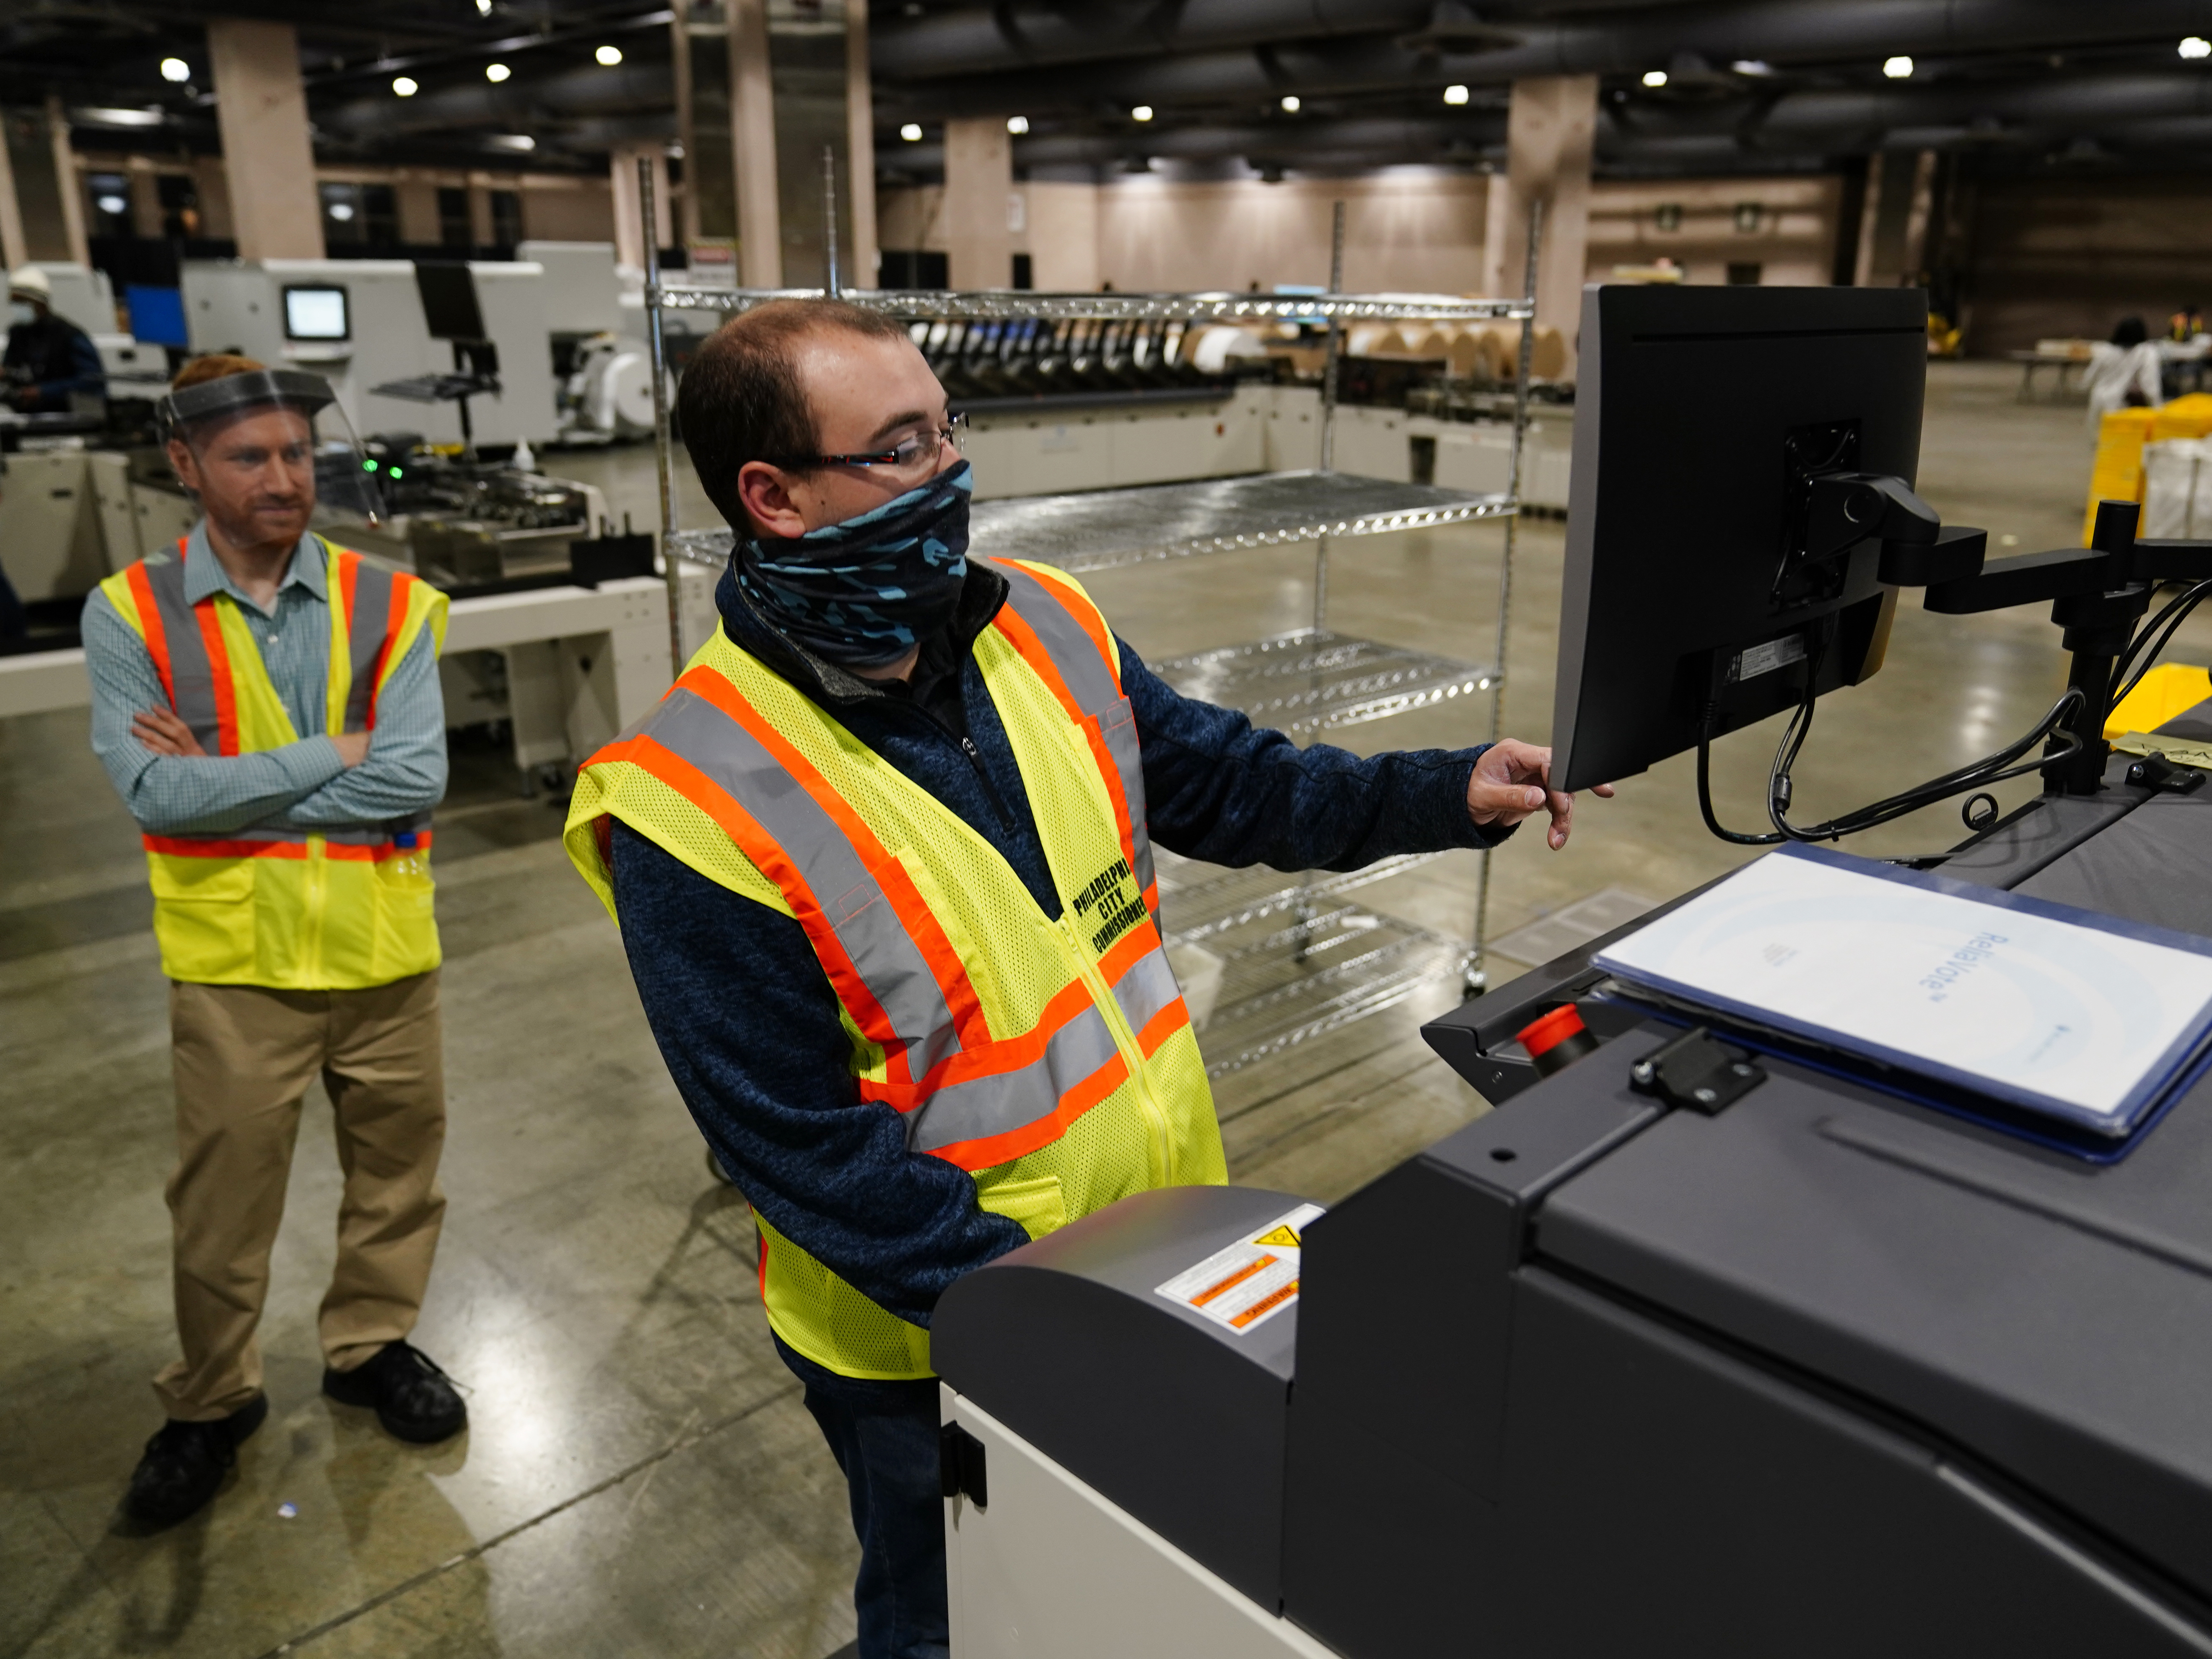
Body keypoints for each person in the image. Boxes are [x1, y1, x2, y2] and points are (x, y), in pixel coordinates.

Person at [562, 299, 1609, 1659]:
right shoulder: (687, 796)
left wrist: (1441, 789)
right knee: (953, 1609)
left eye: (946, 430)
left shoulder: (1040, 626)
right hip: (928, 1331)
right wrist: (1036, 1321)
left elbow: (1236, 783)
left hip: (1157, 1240)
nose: (947, 476)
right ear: (772, 495)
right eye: (895, 448)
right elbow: (797, 1143)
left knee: (1112, 1583)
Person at [83, 354, 467, 1530]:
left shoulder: (388, 599)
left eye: (298, 452)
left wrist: (234, 783)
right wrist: (336, 757)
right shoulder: (130, 610)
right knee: (221, 1210)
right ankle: (210, 1398)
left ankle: (368, 1345)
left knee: (398, 1181)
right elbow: (154, 795)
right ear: (186, 465)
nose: (284, 476)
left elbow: (421, 773)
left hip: (385, 949)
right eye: (251, 456)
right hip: (237, 964)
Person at [4, 265, 105, 413]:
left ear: (40, 303)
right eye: (15, 302)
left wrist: (44, 392)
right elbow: (13, 369)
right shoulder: (18, 334)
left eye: (22, 302)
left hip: (67, 415)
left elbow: (92, 381)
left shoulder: (68, 335)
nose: (17, 308)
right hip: (28, 418)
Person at [2083, 315, 2163, 430]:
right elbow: (2149, 384)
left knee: (2100, 440)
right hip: (2123, 405)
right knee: (2120, 441)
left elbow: (2089, 377)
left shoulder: (2106, 350)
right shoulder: (2145, 352)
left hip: (2099, 400)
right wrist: (2157, 407)